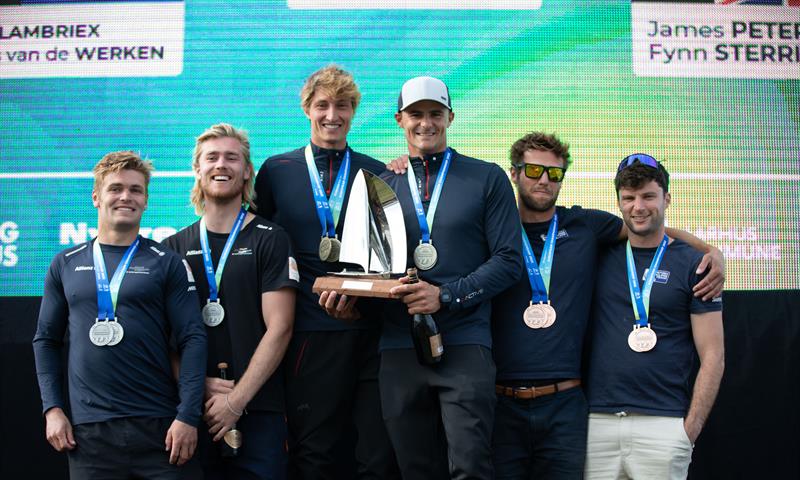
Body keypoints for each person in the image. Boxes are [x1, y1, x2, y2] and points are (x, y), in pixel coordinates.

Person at [490, 135, 725, 479]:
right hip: (508, 405)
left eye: (554, 173)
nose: (544, 180)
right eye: (535, 170)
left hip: (571, 406)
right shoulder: (493, 226)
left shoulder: (583, 227)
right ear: (514, 173)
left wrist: (712, 251)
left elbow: (645, 228)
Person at [253, 65, 399, 479]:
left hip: (368, 330)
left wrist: (407, 165)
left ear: (354, 111)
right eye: (322, 105)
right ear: (307, 110)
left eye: (342, 105)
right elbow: (261, 246)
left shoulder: (377, 172)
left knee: (374, 454)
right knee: (314, 451)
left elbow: (387, 252)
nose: (331, 115)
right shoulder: (276, 170)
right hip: (307, 334)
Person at [373, 76, 522, 479]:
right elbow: (367, 266)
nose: (426, 123)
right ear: (399, 120)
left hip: (465, 343)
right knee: (414, 469)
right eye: (416, 114)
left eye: (435, 114)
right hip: (398, 346)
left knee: (470, 466)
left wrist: (446, 296)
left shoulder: (486, 178)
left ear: (450, 117)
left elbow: (510, 260)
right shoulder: (381, 185)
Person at [33, 151, 207, 480]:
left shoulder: (166, 261)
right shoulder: (64, 263)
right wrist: (53, 409)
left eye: (135, 190)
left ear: (145, 200)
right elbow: (46, 340)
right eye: (115, 188)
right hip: (89, 436)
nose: (125, 196)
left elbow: (193, 338)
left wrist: (188, 416)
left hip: (161, 431)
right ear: (97, 197)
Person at [163, 124, 299, 479]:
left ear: (247, 171)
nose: (221, 165)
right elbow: (165, 339)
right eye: (212, 157)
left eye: (231, 157)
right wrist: (199, 387)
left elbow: (280, 328)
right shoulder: (172, 250)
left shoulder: (271, 239)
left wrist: (234, 402)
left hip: (260, 411)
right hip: (195, 412)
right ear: (197, 169)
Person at [584, 154, 725, 479]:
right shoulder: (598, 255)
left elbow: (714, 355)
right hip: (597, 423)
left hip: (664, 425)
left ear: (667, 198)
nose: (639, 206)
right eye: (629, 198)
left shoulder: (696, 265)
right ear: (618, 203)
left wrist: (688, 432)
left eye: (648, 196)